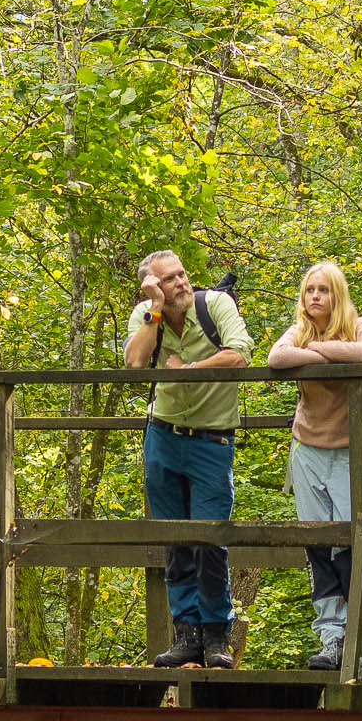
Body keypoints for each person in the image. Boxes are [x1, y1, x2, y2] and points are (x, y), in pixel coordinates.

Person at [126, 246, 253, 668]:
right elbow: (134, 362)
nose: (181, 283)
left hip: (211, 440)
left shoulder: (215, 304)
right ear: (152, 287)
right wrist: (156, 311)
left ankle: (217, 634)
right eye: (169, 279)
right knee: (174, 537)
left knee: (210, 538)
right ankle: (186, 634)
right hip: (162, 436)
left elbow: (240, 353)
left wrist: (189, 370)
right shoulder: (147, 315)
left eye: (182, 275)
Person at [263, 261, 362, 672]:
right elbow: (276, 356)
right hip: (308, 448)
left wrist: (317, 351)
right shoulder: (298, 332)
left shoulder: (359, 324)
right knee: (317, 544)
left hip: (352, 450)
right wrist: (315, 347)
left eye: (324, 290)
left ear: (338, 295)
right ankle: (331, 637)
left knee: (351, 543)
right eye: (310, 289)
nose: (315, 296)